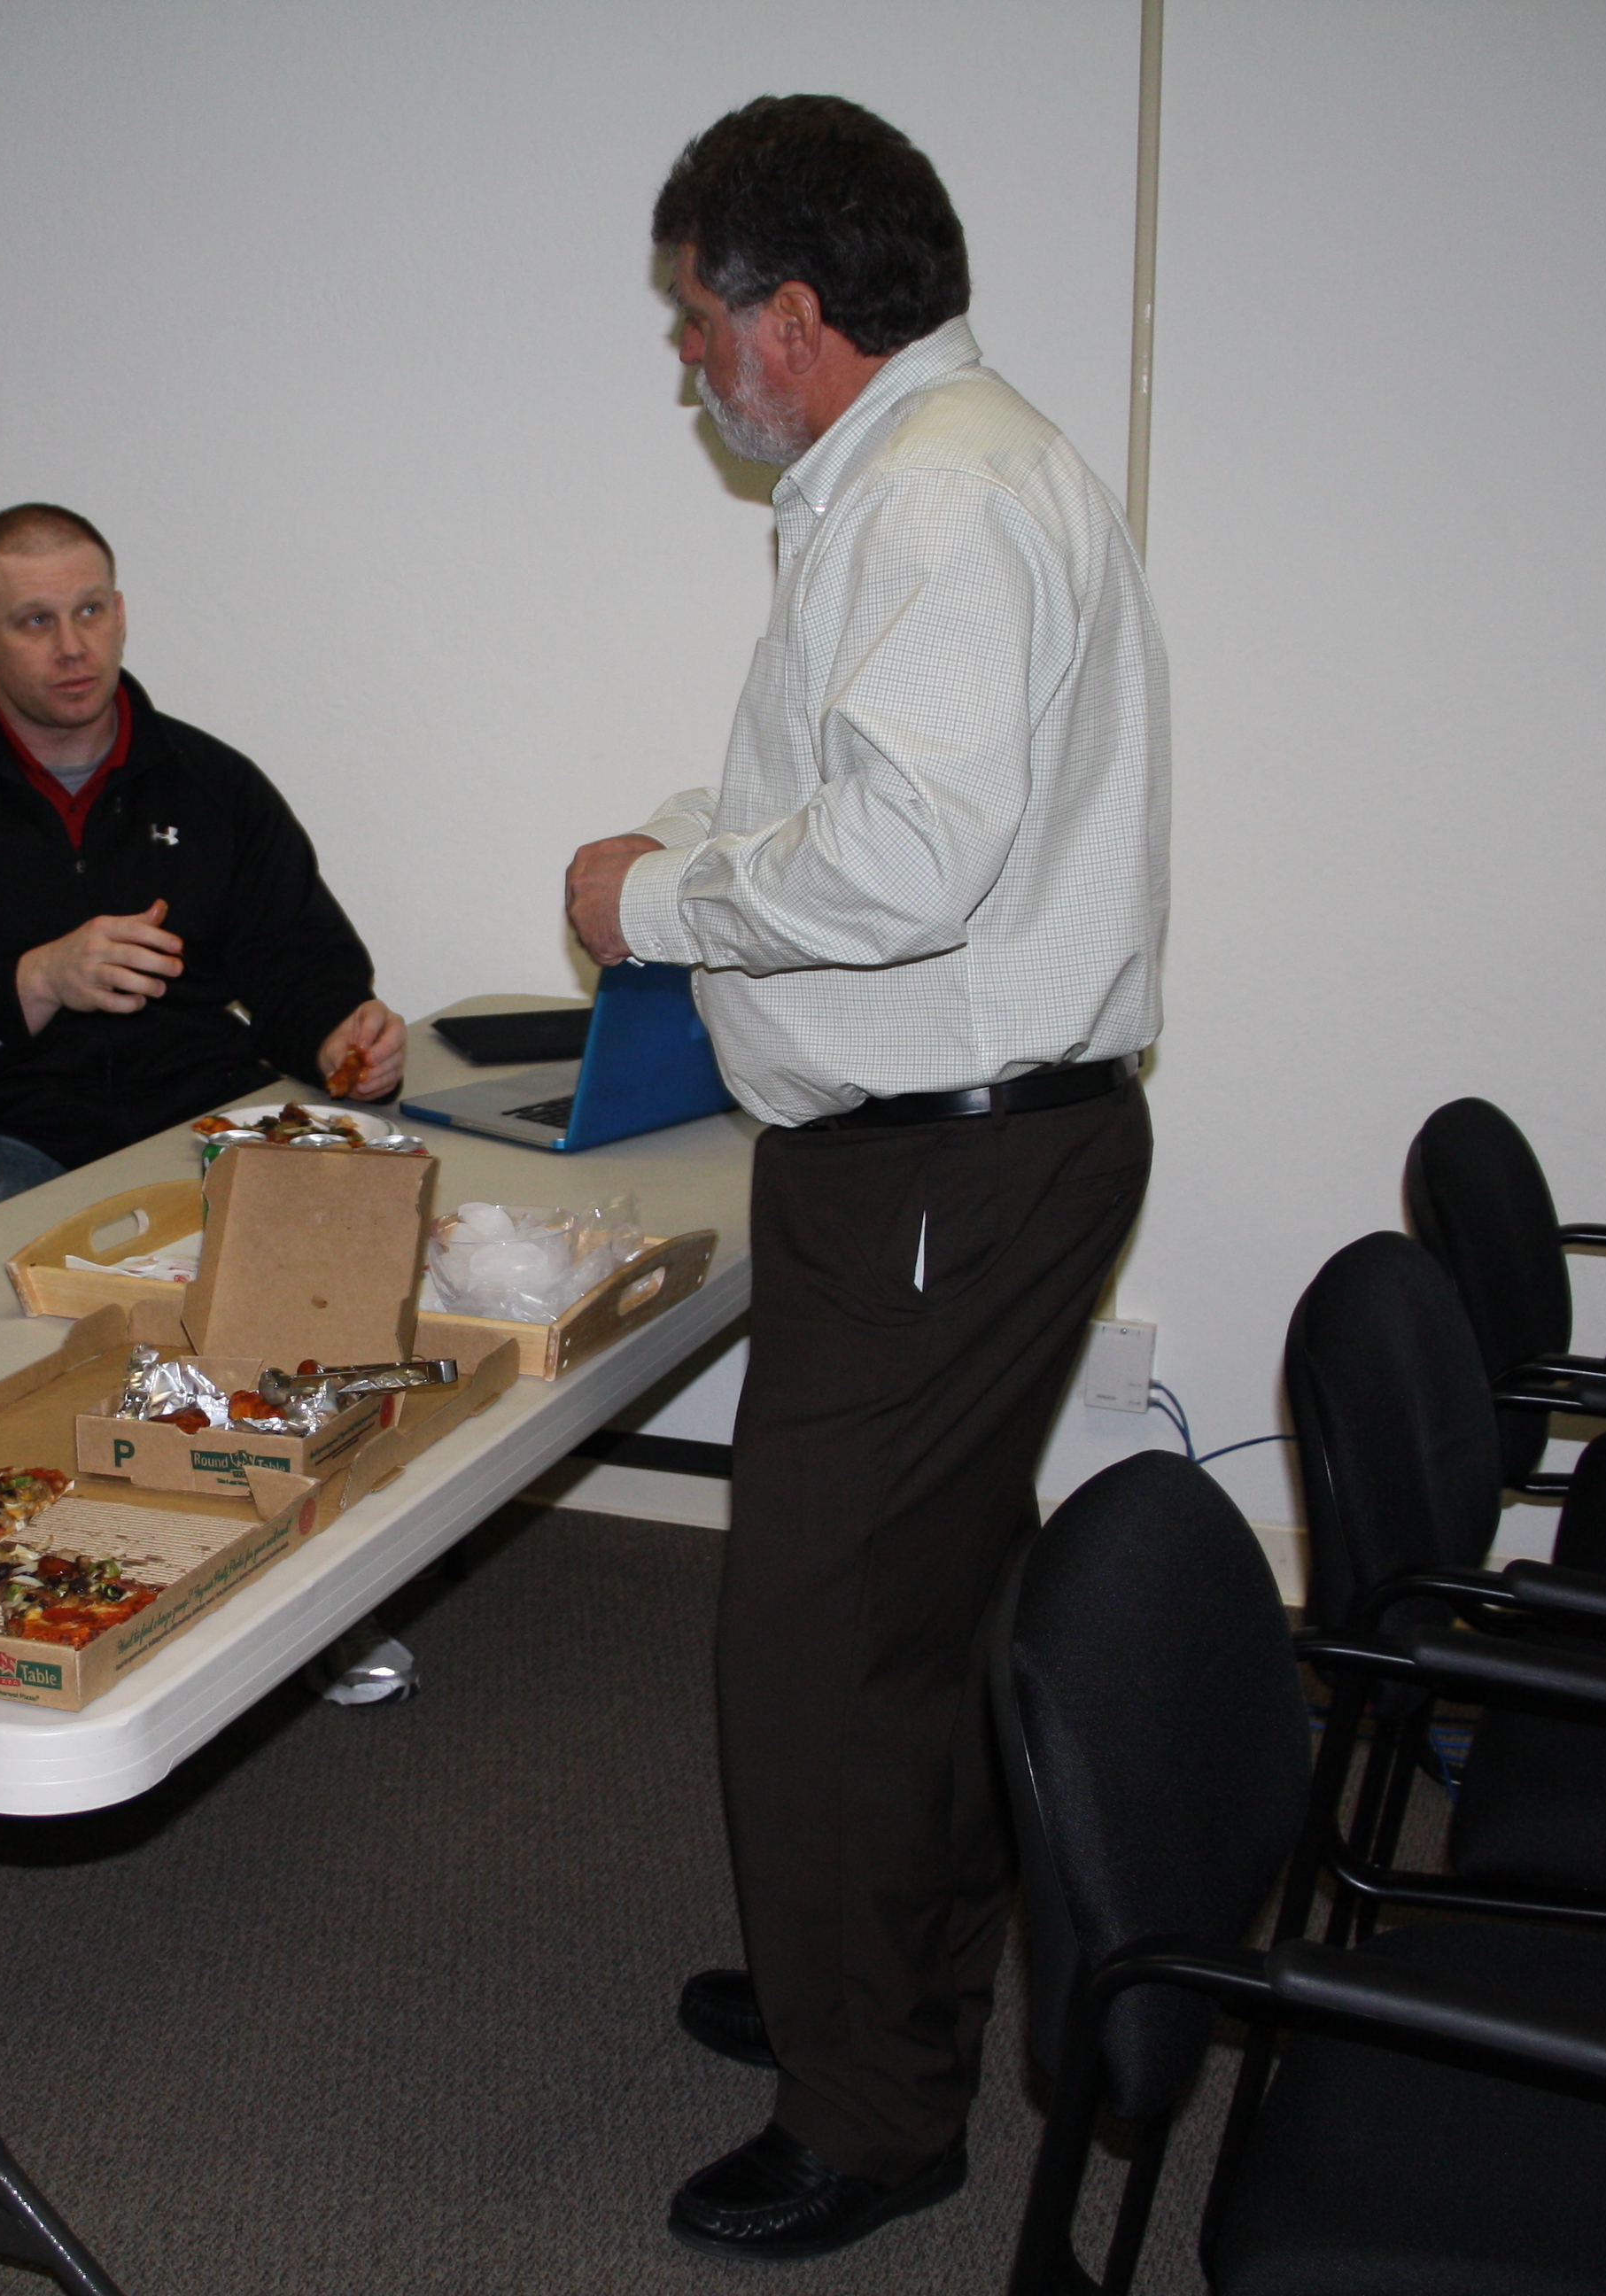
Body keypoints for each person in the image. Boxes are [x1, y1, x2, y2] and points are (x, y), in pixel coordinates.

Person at [562, 97, 1167, 2261]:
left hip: (943, 1168)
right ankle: (880, 1971)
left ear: (793, 314)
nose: (687, 358)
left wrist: (652, 906)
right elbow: (859, 798)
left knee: (818, 1648)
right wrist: (684, 847)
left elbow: (906, 867)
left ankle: (873, 2106)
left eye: (694, 318)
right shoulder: (936, 470)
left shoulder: (931, 496)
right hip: (953, 1165)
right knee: (914, 1617)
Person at [0, 502, 406, 1214]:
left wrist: (340, 1036)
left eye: (90, 611)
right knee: (35, 1257)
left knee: (362, 1214)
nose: (73, 647)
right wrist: (42, 979)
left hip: (193, 1114)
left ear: (120, 616)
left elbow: (301, 965)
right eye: (36, 621)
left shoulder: (213, 784)